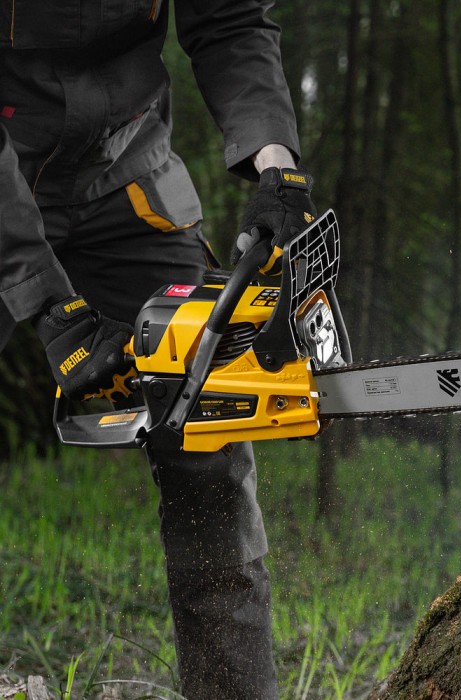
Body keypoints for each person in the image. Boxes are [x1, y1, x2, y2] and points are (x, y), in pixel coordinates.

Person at [0, 2, 316, 698]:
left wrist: (276, 165)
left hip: (124, 175)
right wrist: (52, 308)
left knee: (208, 432)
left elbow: (230, 19)